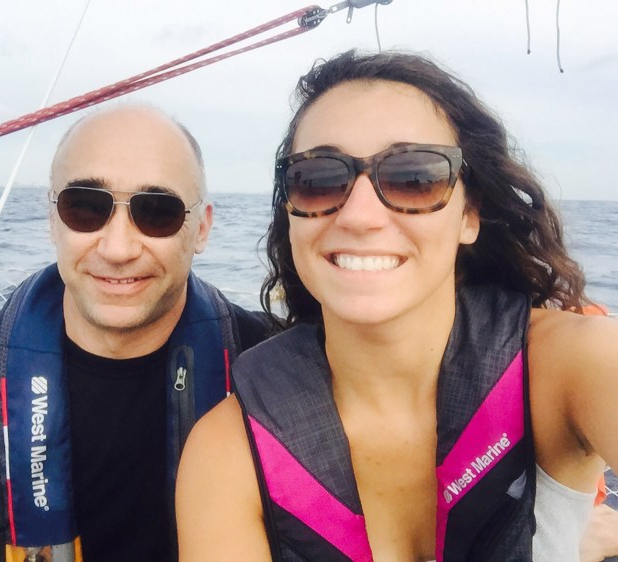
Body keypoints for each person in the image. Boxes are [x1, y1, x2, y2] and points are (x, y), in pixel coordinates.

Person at [176, 50, 618, 561]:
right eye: (320, 179)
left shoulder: (572, 366)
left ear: (469, 214)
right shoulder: (228, 453)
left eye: (414, 177)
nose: (360, 216)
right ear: (291, 215)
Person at [0, 104, 275, 561]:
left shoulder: (267, 369)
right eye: (85, 208)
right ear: (52, 220)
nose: (118, 248)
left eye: (157, 212)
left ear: (201, 227)